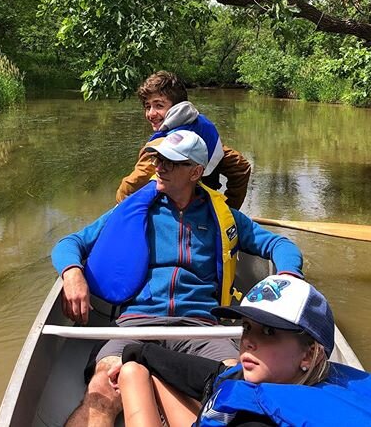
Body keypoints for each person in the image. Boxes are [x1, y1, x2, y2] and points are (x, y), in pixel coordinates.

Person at [51, 131, 303, 426]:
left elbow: (279, 245)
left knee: (236, 388)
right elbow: (70, 243)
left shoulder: (224, 216)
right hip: (136, 324)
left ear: (196, 172)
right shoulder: (135, 212)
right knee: (102, 390)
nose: (160, 167)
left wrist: (288, 276)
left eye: (171, 162)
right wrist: (72, 273)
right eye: (158, 159)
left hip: (200, 328)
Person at [112, 275, 371, 427]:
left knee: (133, 376)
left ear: (308, 355)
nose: (249, 342)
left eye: (269, 333)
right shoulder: (285, 379)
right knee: (137, 369)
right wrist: (138, 354)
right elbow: (210, 377)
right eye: (247, 330)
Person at [116, 71, 251, 210]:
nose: (151, 114)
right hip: (204, 210)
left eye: (159, 105)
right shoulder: (200, 131)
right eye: (147, 106)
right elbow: (241, 167)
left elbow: (129, 188)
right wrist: (228, 209)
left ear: (177, 107)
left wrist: (120, 209)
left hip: (173, 215)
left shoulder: (160, 145)